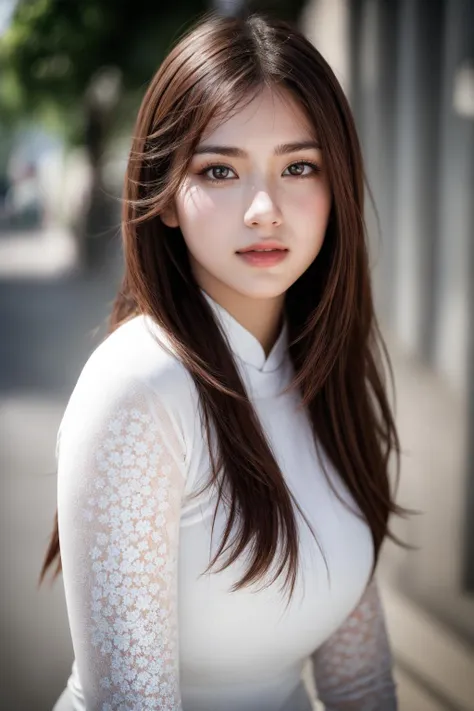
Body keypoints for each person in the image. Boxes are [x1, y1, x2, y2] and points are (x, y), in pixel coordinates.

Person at [40, 10, 410, 711]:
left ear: (337, 188)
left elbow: (360, 682)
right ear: (168, 197)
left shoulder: (324, 371)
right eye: (220, 170)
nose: (265, 208)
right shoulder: (138, 389)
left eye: (299, 166)